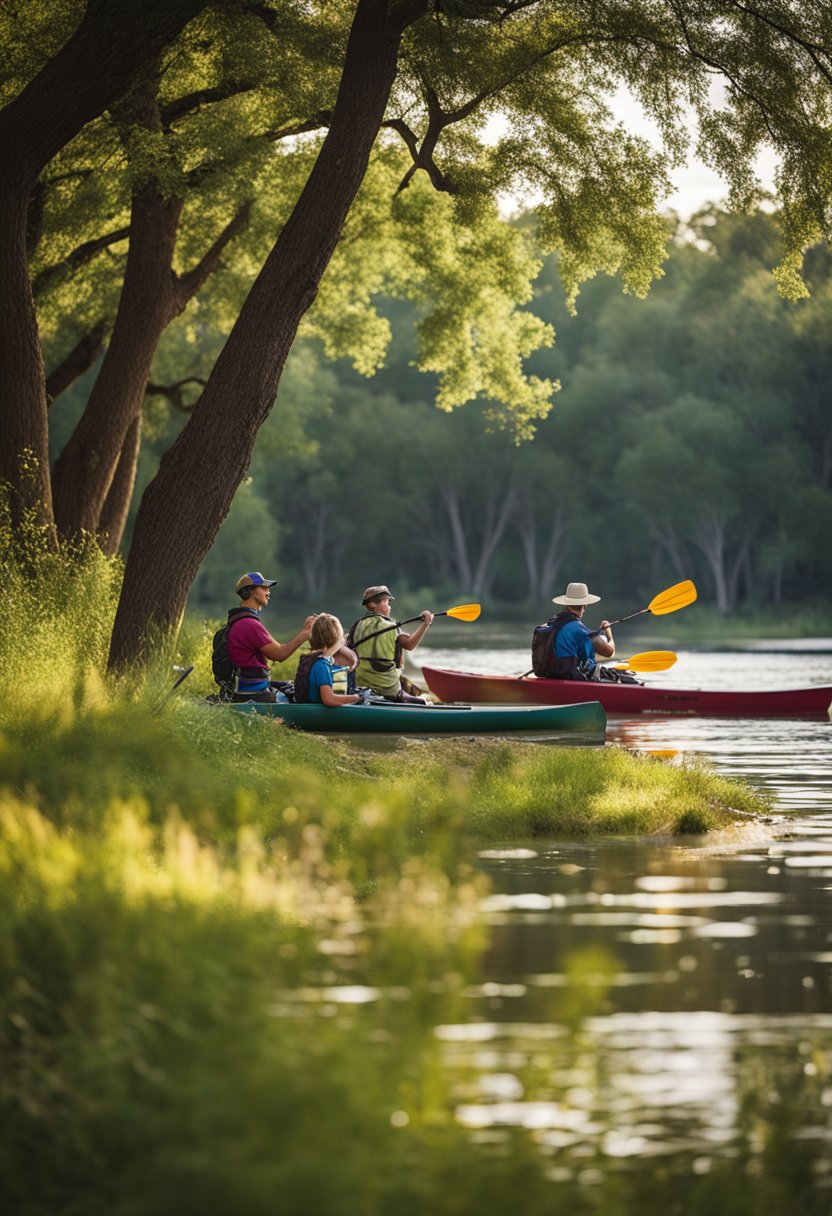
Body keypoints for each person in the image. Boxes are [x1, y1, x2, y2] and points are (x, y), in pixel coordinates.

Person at [223, 571, 355, 703]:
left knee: (290, 685)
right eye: (263, 588)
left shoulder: (243, 621)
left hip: (249, 687)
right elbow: (279, 654)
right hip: (255, 692)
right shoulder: (249, 624)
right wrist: (306, 631)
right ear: (249, 591)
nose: (268, 592)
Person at [348, 585, 433, 702]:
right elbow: (409, 644)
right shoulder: (391, 626)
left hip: (360, 685)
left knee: (406, 683)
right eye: (387, 602)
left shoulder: (357, 626)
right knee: (422, 702)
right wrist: (425, 624)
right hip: (387, 688)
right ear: (373, 604)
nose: (389, 606)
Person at [296, 614, 367, 706]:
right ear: (335, 639)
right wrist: (357, 697)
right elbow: (329, 699)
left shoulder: (311, 659)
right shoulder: (322, 665)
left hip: (308, 703)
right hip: (316, 710)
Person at [548, 581, 615, 679]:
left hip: (553, 674)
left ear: (567, 605)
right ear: (584, 606)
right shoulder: (579, 629)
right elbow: (609, 652)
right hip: (569, 677)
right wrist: (609, 635)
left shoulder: (552, 623)